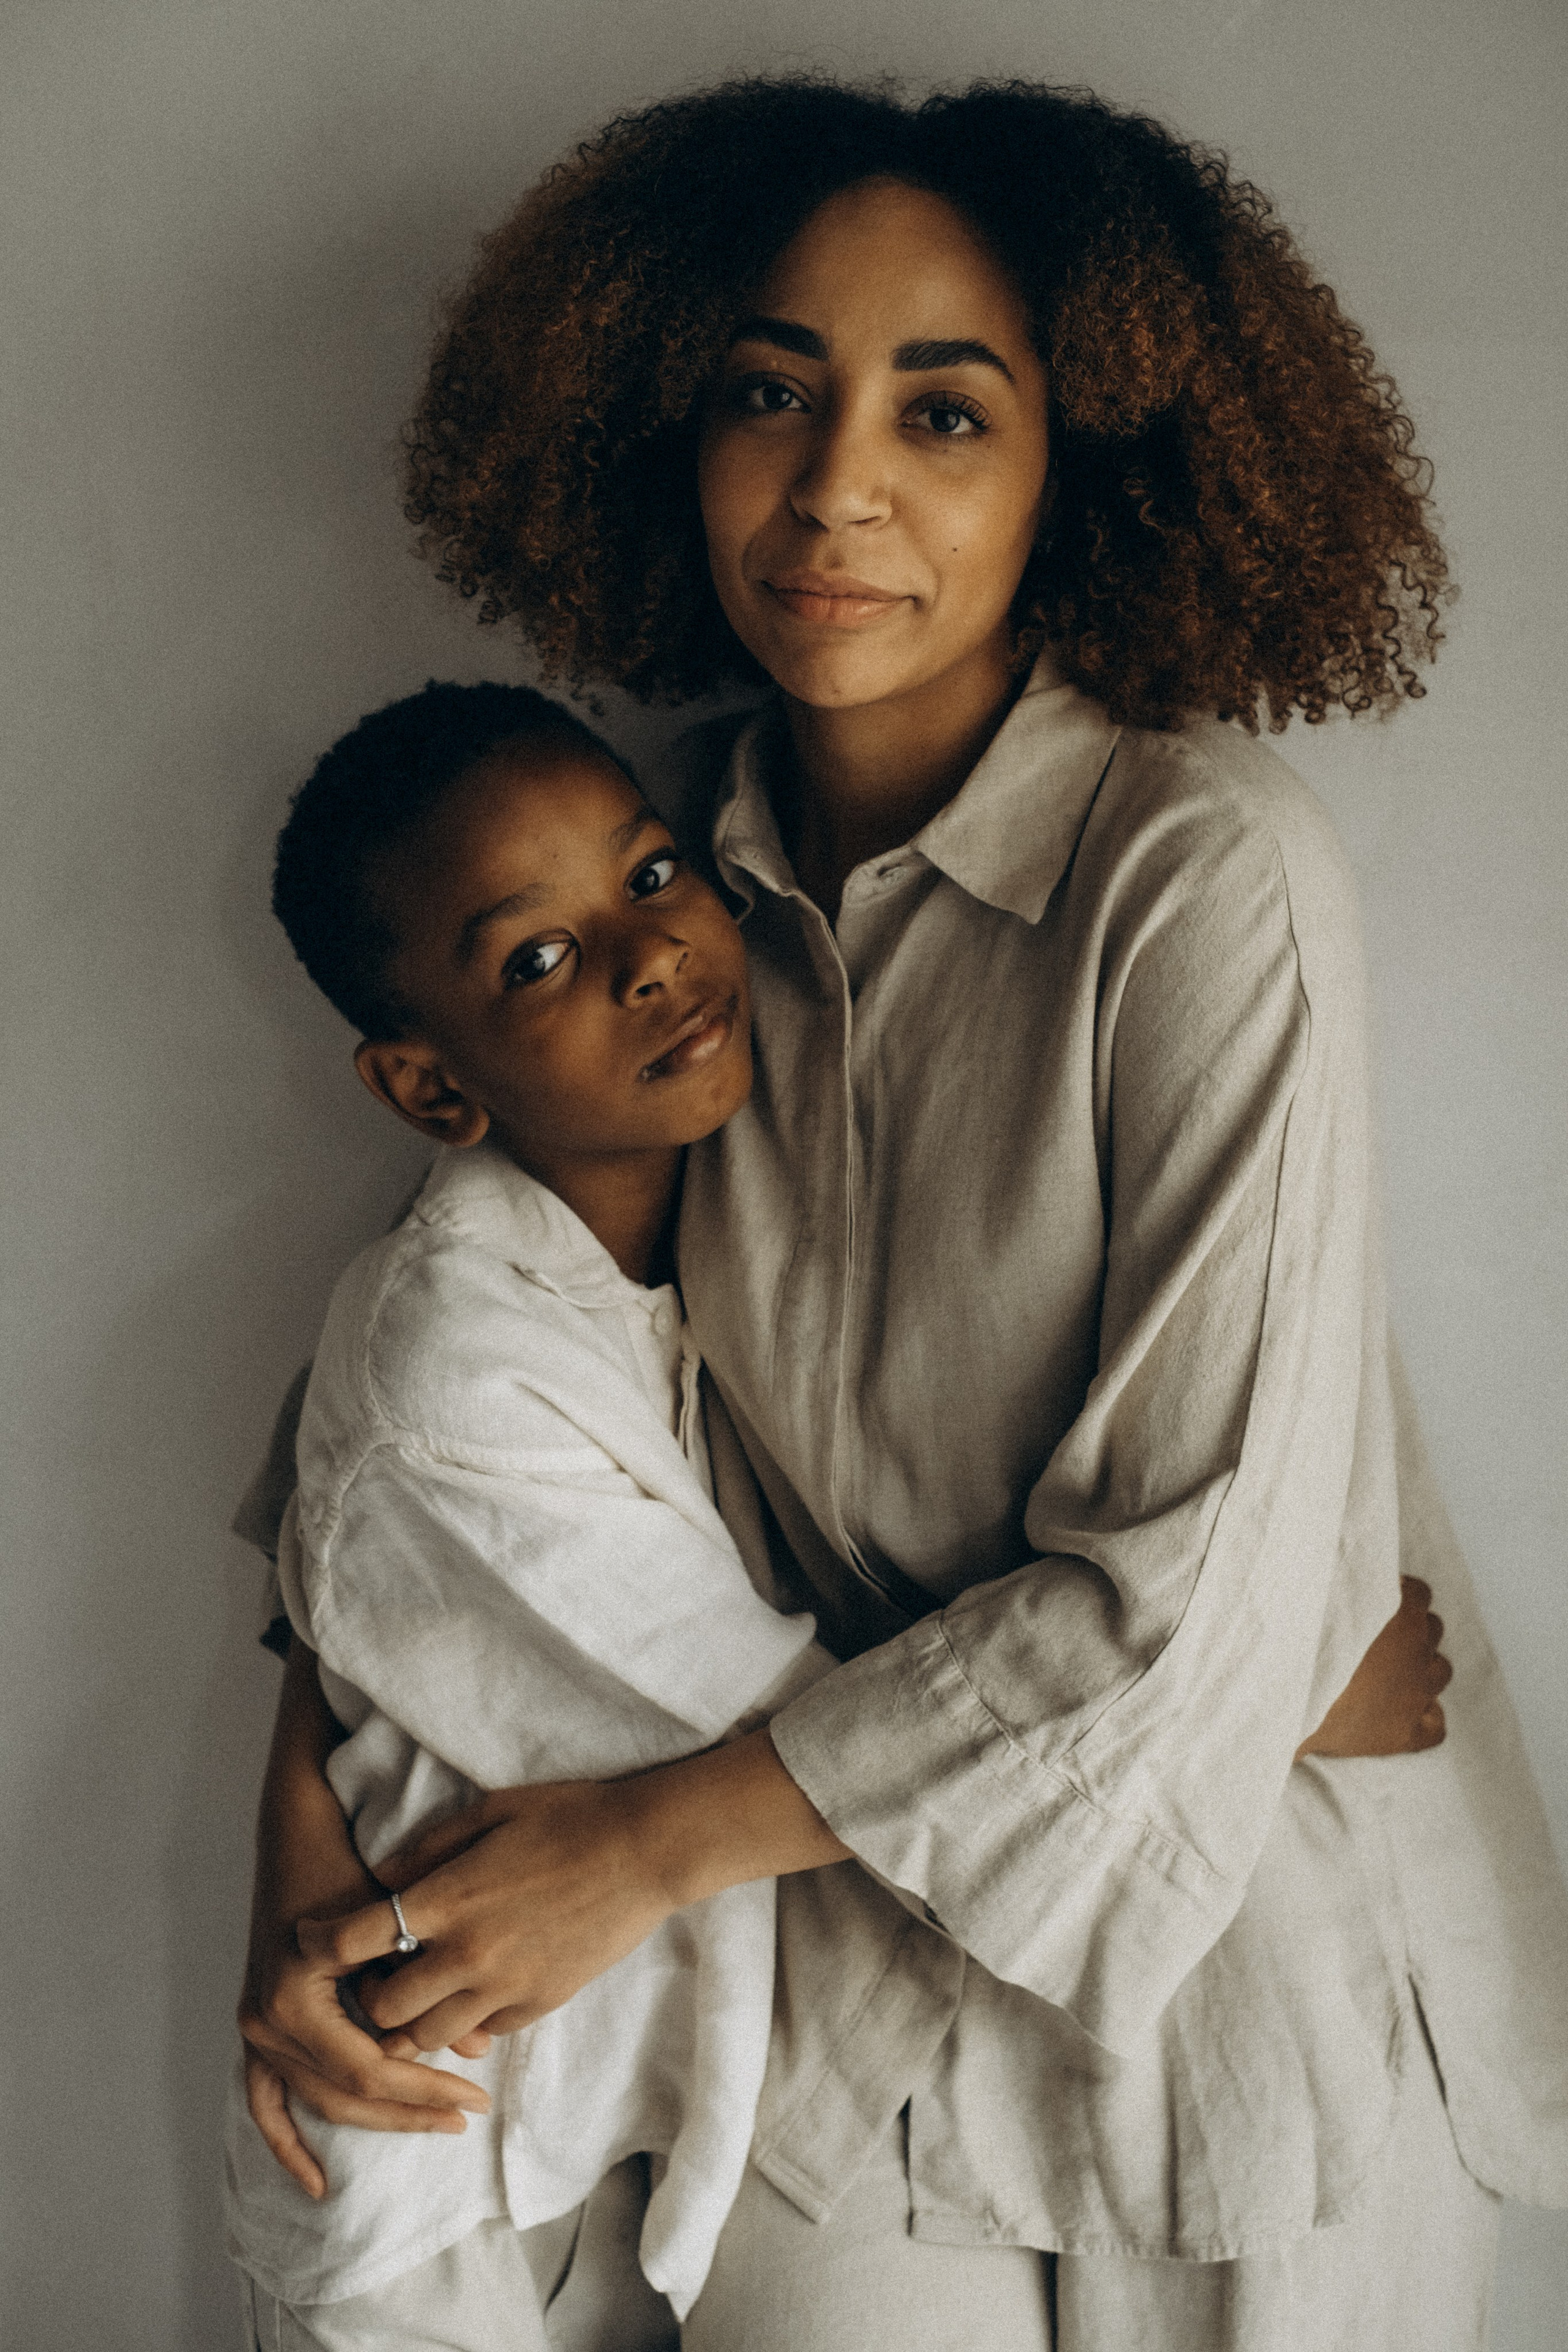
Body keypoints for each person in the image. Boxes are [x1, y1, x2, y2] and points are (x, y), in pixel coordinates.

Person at [237, 77, 1568, 2352]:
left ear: (1084, 469)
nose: (838, 485)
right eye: (773, 395)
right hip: (830, 1969)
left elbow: (1184, 1613)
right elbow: (441, 1424)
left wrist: (638, 1849)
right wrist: (312, 1894)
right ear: (669, 430)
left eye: (945, 412)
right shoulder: (627, 895)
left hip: (1244, 1981)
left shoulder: (1201, 878)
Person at [228, 680, 832, 2343]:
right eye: (536, 960)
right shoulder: (455, 1367)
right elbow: (796, 1728)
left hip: (599, 2104)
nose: (645, 955)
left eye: (649, 875)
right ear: (433, 1089)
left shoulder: (687, 1228)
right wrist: (1254, 1684)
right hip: (436, 2157)